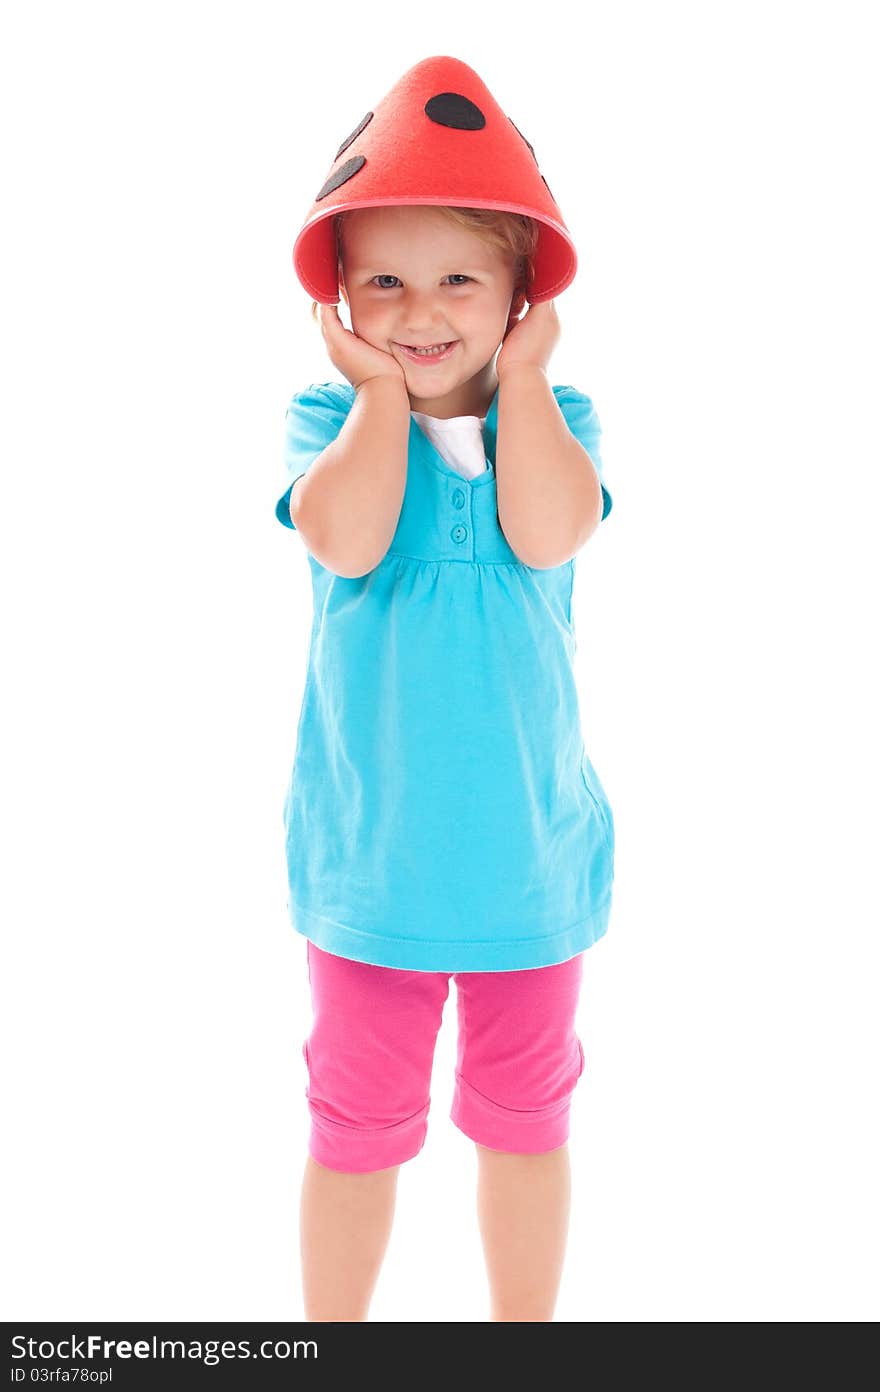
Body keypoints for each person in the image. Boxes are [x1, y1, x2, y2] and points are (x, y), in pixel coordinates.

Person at [274, 56, 615, 1322]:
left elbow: (548, 528)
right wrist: (373, 397)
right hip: (371, 876)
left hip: (529, 867)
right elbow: (347, 539)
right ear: (343, 302)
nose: (421, 313)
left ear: (522, 293)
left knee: (526, 1123)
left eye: (460, 279)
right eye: (385, 283)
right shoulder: (329, 423)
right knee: (353, 1130)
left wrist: (522, 383)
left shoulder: (559, 414)